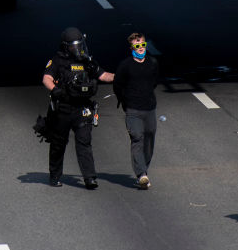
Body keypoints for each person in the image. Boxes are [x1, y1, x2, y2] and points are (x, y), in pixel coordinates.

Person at [42, 27, 115, 189]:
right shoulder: (58, 60)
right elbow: (47, 78)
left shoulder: (87, 62)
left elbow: (103, 75)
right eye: (73, 46)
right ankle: (55, 176)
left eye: (79, 45)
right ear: (65, 46)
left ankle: (90, 178)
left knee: (84, 142)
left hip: (82, 109)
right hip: (64, 109)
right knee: (58, 143)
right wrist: (55, 90)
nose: (77, 49)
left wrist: (121, 76)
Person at [113, 32, 159, 190]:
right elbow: (117, 85)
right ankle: (141, 174)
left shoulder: (152, 63)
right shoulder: (125, 66)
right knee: (137, 138)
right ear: (132, 47)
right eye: (137, 46)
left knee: (149, 138)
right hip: (132, 109)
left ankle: (143, 168)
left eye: (143, 45)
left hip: (149, 108)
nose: (140, 48)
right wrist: (125, 101)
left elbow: (155, 81)